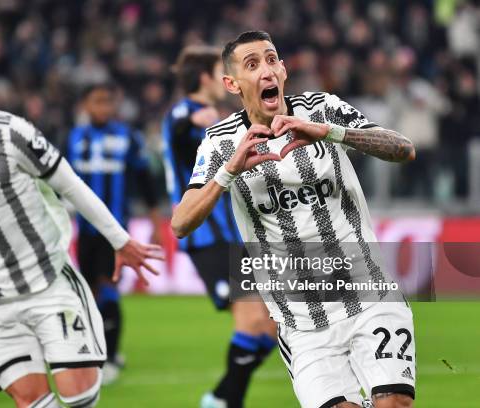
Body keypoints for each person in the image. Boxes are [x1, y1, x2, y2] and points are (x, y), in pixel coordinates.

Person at [0, 40, 162, 408]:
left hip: (48, 284)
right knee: (33, 402)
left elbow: (70, 185)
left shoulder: (10, 133)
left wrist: (120, 240)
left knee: (81, 398)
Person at [171, 31, 417, 408]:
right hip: (302, 322)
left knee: (393, 403)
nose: (266, 70)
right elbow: (181, 223)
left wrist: (330, 132)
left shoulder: (322, 108)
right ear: (231, 83)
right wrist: (229, 171)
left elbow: (402, 149)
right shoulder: (220, 142)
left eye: (272, 59)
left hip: (370, 296)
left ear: (283, 70)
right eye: (252, 65)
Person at [162, 45, 277, 408]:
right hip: (206, 235)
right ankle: (227, 402)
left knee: (272, 328)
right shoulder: (187, 112)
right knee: (251, 321)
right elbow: (179, 128)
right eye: (219, 70)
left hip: (232, 234)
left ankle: (221, 397)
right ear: (204, 77)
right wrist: (195, 122)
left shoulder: (219, 121)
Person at [67, 83, 162, 384]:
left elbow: (145, 177)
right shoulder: (72, 137)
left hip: (115, 229)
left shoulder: (128, 137)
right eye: (97, 101)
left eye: (108, 101)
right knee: (91, 292)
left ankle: (109, 357)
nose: (103, 107)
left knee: (109, 287)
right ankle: (104, 350)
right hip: (84, 228)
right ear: (85, 104)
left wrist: (155, 218)